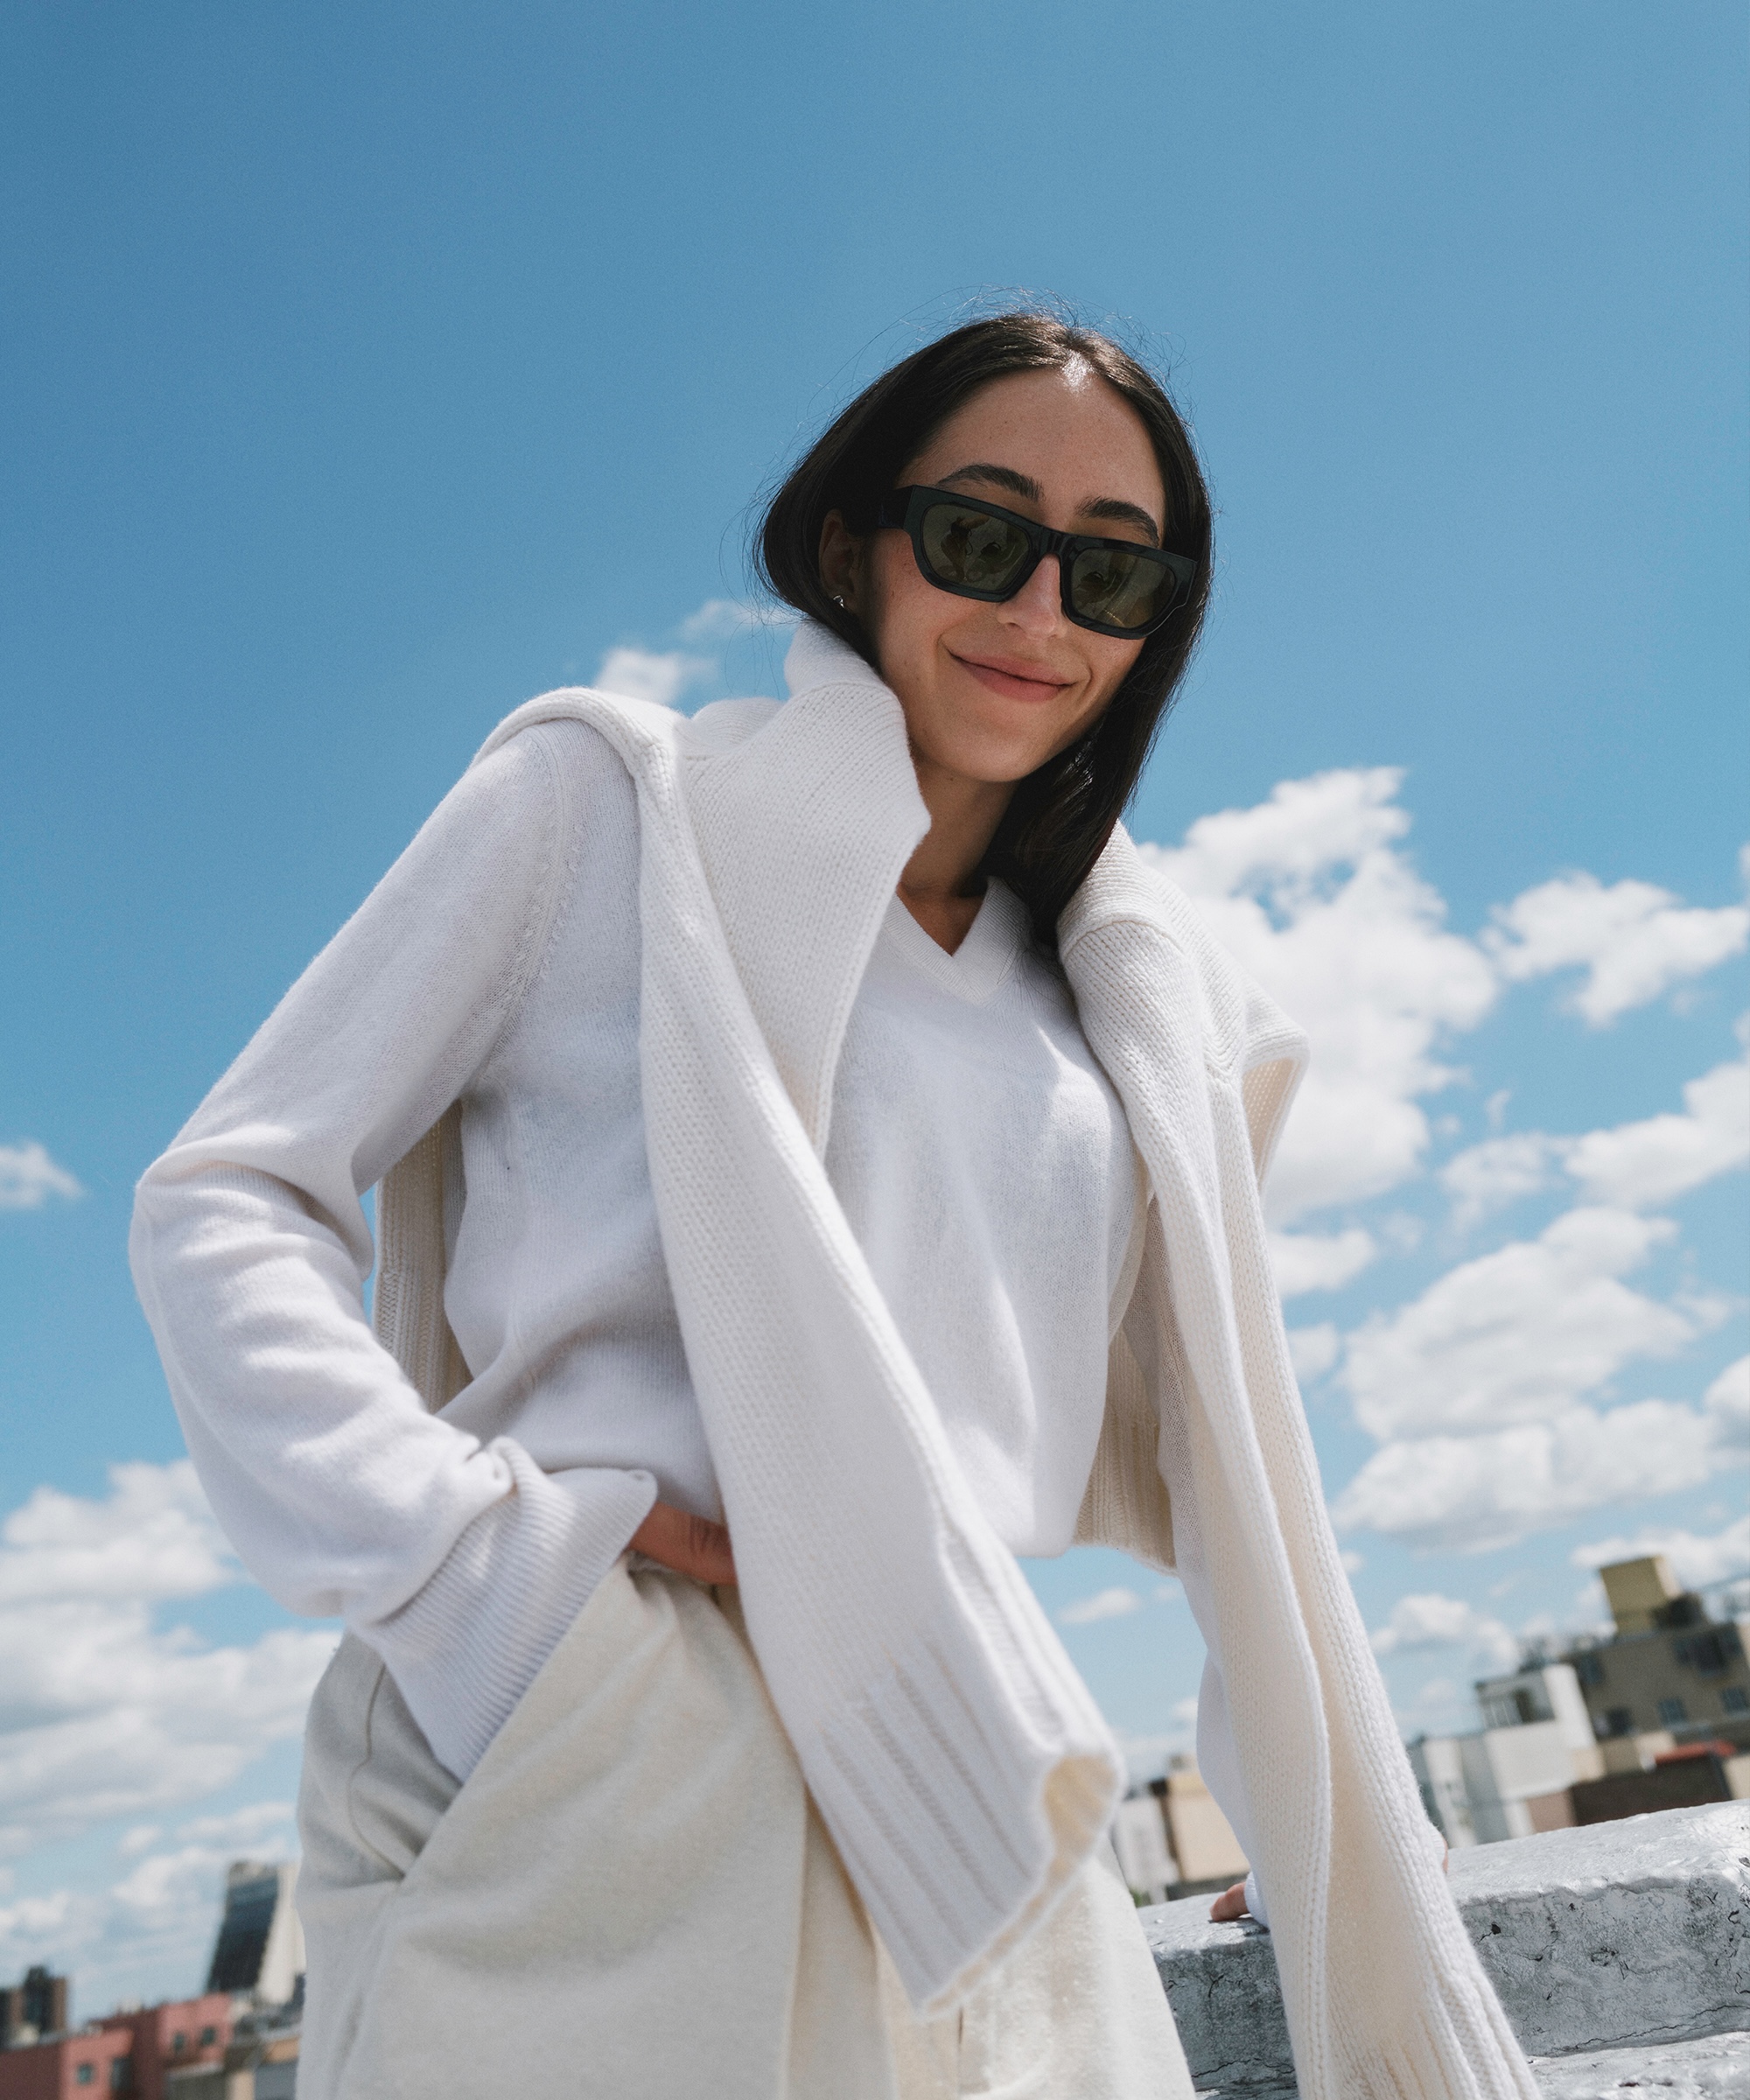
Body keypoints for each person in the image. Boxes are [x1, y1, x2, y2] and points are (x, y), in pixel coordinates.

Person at [131, 313, 1534, 2098]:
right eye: (979, 536)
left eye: (1109, 574)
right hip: (601, 1738)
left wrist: (1305, 1832)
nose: (1038, 612)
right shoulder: (603, 806)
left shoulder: (1134, 995)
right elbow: (223, 1198)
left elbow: (1229, 1470)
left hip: (962, 1759)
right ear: (856, 543)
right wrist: (500, 1584)